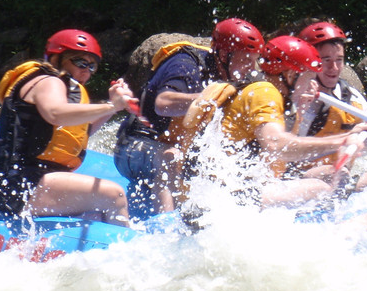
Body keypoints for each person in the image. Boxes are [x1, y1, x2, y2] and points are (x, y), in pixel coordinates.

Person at [185, 35, 367, 210]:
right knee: (318, 187)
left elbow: (280, 157)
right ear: (291, 75)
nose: (314, 84)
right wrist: (342, 140)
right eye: (309, 76)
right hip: (217, 202)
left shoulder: (276, 96)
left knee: (329, 172)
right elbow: (276, 144)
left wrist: (300, 111)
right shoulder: (265, 92)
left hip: (230, 190)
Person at [113, 17, 264, 217]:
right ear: (225, 54)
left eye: (254, 61)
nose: (251, 68)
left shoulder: (227, 75)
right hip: (134, 147)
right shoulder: (185, 64)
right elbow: (163, 104)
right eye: (246, 59)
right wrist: (210, 97)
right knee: (171, 157)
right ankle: (166, 225)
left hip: (169, 146)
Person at [0, 28, 136, 225]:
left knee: (96, 214)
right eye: (81, 62)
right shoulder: (49, 81)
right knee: (114, 194)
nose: (86, 71)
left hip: (23, 181)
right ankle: (127, 251)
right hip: (19, 183)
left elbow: (81, 131)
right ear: (57, 58)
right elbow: (56, 114)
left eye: (92, 67)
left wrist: (112, 109)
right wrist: (111, 105)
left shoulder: (59, 86)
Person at [295, 19, 367, 162]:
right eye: (326, 60)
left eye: (339, 60)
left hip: (338, 175)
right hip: (303, 178)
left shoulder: (350, 96)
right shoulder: (294, 100)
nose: (334, 67)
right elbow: (286, 149)